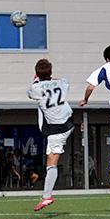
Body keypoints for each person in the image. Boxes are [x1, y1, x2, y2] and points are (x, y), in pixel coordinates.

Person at [27, 59, 74, 211]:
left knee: (51, 163)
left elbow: (31, 93)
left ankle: (47, 196)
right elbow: (63, 82)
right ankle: (46, 195)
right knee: (51, 160)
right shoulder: (61, 82)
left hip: (56, 129)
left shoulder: (35, 88)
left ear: (36, 73)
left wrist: (38, 81)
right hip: (69, 122)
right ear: (51, 72)